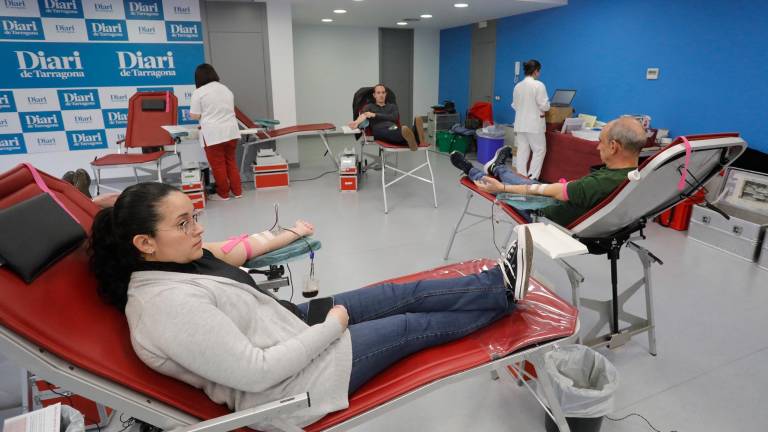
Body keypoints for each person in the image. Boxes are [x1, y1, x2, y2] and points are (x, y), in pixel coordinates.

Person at [88, 182, 534, 429]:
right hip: (294, 386)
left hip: (292, 327)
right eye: (184, 223)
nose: (198, 230)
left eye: (195, 216)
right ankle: (502, 304)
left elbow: (239, 250)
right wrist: (333, 327)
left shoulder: (183, 258)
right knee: (409, 325)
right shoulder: (166, 307)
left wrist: (292, 234)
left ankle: (497, 285)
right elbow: (257, 373)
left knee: (395, 293)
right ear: (144, 243)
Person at [450, 117, 646, 226]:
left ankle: (471, 169)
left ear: (613, 146)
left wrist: (502, 187)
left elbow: (544, 192)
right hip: (561, 197)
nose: (597, 148)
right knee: (525, 183)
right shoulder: (635, 177)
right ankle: (497, 167)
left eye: (600, 142)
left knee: (509, 187)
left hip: (543, 208)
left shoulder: (601, 183)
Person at [189, 63, 242, 201]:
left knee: (218, 165)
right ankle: (237, 192)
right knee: (231, 162)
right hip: (231, 132)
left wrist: (203, 115)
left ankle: (223, 194)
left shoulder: (199, 92)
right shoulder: (225, 89)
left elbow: (194, 115)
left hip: (213, 135)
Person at [348, 84, 419, 151]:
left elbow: (394, 117)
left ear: (386, 94)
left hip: (393, 127)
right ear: (374, 95)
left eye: (383, 92)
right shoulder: (369, 107)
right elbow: (363, 115)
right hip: (379, 129)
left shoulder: (392, 106)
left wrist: (375, 115)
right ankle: (415, 135)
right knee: (396, 132)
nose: (381, 95)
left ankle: (411, 139)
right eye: (378, 93)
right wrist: (356, 123)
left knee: (397, 130)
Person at [512, 59, 550, 180]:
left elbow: (514, 105)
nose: (539, 73)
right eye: (539, 71)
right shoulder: (538, 85)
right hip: (534, 125)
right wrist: (547, 106)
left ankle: (520, 178)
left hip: (520, 124)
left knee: (522, 150)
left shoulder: (518, 86)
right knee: (539, 150)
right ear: (535, 71)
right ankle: (532, 178)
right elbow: (544, 105)